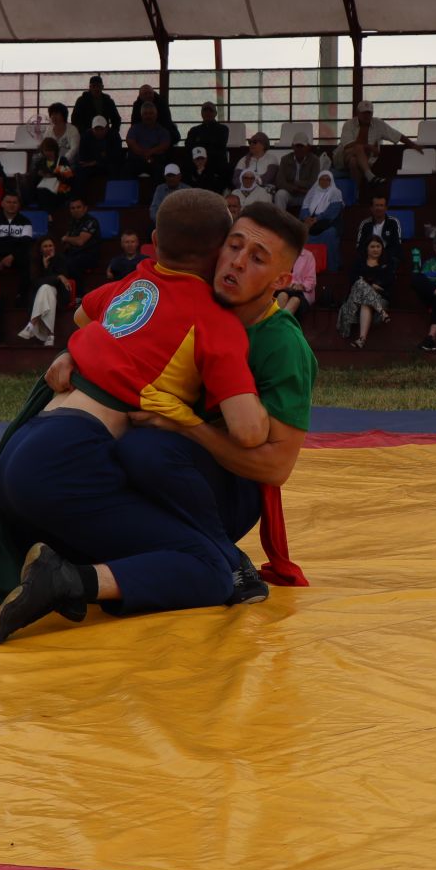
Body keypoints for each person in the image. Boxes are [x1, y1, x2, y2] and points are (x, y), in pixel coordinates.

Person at [0, 191, 272, 643]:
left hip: (25, 441)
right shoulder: (213, 321)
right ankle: (67, 581)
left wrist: (74, 353)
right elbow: (246, 430)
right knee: (209, 566)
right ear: (221, 249)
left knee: (97, 497)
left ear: (155, 241)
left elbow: (84, 316)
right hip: (64, 459)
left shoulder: (135, 282)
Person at [101, 202, 319, 608]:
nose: (236, 263)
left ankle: (225, 555)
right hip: (159, 466)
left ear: (282, 279)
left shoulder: (283, 346)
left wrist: (184, 426)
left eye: (257, 259)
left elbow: (276, 467)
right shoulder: (194, 294)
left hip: (221, 493)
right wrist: (71, 355)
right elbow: (111, 322)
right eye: (233, 247)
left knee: (145, 450)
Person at [334, 100, 415, 190]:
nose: (366, 116)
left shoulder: (378, 124)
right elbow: (347, 146)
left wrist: (414, 145)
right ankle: (370, 177)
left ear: (372, 113)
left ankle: (356, 194)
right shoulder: (349, 124)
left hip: (365, 160)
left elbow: (397, 135)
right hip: (344, 157)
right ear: (358, 113)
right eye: (364, 113)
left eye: (369, 113)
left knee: (354, 162)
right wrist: (369, 147)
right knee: (358, 148)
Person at [15, 237, 73, 346]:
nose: (48, 248)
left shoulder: (61, 259)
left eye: (50, 246)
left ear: (54, 247)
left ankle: (31, 325)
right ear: (40, 249)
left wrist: (52, 273)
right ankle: (50, 335)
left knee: (46, 287)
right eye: (45, 246)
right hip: (41, 296)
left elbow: (59, 283)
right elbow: (36, 282)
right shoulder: (36, 261)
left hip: (60, 294)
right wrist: (49, 269)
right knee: (45, 288)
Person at [337, 237, 393, 347]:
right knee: (360, 283)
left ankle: (361, 340)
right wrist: (372, 286)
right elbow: (354, 283)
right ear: (366, 249)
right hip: (355, 299)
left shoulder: (387, 265)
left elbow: (388, 285)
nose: (375, 249)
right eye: (372, 246)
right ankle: (382, 312)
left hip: (379, 299)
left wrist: (372, 286)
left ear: (382, 248)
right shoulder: (358, 263)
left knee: (365, 302)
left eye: (378, 246)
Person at [297, 168, 344, 272]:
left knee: (329, 234)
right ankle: (304, 269)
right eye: (322, 179)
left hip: (329, 222)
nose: (324, 182)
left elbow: (333, 212)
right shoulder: (313, 191)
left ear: (331, 181)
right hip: (312, 222)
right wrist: (306, 218)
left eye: (327, 179)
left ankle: (330, 267)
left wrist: (317, 219)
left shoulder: (336, 192)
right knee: (299, 232)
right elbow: (304, 207)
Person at [54, 197, 103, 291]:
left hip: (89, 254)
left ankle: (79, 295)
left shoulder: (91, 221)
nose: (75, 210)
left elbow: (80, 241)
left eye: (78, 207)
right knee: (57, 260)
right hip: (75, 253)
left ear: (85, 208)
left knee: (71, 263)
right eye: (72, 208)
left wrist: (66, 238)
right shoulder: (72, 222)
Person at [124, 100, 175, 182]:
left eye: (151, 113)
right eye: (145, 114)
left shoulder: (162, 130)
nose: (148, 116)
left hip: (155, 160)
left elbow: (165, 144)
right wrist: (144, 154)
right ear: (141, 115)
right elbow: (130, 142)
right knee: (126, 169)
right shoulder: (135, 128)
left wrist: (150, 152)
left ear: (156, 115)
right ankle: (128, 194)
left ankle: (157, 194)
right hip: (137, 159)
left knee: (162, 170)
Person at [274, 137, 328, 213]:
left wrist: (296, 183)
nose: (299, 149)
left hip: (307, 194)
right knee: (280, 194)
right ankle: (279, 222)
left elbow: (314, 182)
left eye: (302, 146)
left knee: (317, 195)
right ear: (293, 146)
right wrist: (293, 188)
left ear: (307, 147)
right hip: (290, 192)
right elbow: (279, 182)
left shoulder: (314, 160)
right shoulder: (285, 159)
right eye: (297, 146)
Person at [22, 136, 74, 209]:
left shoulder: (62, 160)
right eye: (46, 150)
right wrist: (39, 174)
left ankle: (49, 213)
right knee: (37, 192)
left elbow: (69, 179)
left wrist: (55, 174)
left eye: (50, 150)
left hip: (59, 189)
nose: (48, 153)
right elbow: (34, 180)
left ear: (55, 150)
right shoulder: (40, 162)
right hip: (43, 188)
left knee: (45, 194)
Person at [355, 193, 402, 265]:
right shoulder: (365, 224)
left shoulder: (394, 222)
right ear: (371, 208)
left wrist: (382, 256)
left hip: (388, 257)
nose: (379, 208)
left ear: (386, 208)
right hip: (369, 257)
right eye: (376, 205)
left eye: (381, 205)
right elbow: (360, 246)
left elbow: (396, 245)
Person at [69, 74, 120, 140]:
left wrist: (111, 131)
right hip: (87, 134)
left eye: (98, 86)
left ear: (102, 87)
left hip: (105, 134)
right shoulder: (82, 100)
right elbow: (75, 119)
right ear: (90, 87)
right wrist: (84, 132)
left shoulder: (108, 101)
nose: (96, 89)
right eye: (94, 86)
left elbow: (116, 119)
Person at [73, 115, 121, 181]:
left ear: (107, 128)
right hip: (91, 165)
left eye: (101, 129)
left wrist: (96, 161)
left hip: (108, 164)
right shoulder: (86, 136)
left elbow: (116, 155)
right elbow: (83, 156)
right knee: (79, 170)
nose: (99, 132)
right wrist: (100, 159)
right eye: (96, 129)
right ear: (92, 129)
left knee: (115, 168)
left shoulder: (114, 135)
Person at [185, 100, 231, 164]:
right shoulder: (194, 130)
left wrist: (200, 145)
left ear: (215, 113)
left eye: (210, 111)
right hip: (197, 163)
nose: (207, 113)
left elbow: (219, 146)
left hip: (216, 163)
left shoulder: (223, 129)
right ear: (201, 113)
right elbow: (189, 147)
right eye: (205, 110)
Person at [277, 243, 316, 315]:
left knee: (295, 300)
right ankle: (280, 325)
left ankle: (277, 325)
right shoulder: (282, 254)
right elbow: (277, 276)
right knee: (282, 295)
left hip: (302, 293)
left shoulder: (309, 256)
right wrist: (285, 284)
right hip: (284, 289)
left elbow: (311, 281)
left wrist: (301, 286)